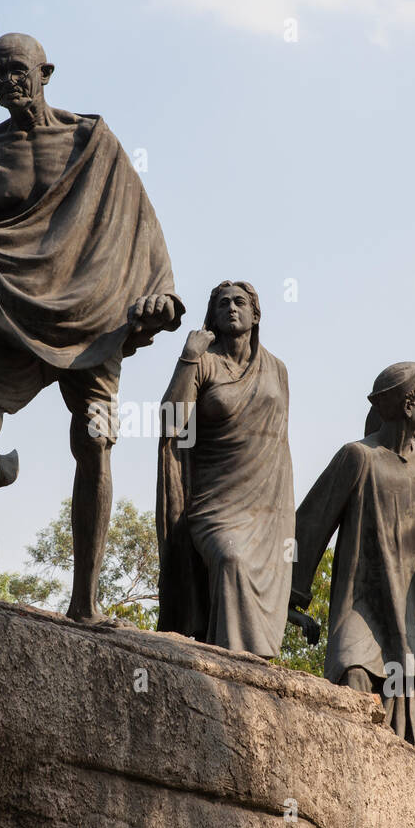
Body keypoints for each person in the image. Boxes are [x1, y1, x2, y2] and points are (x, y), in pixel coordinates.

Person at [0, 32, 183, 621]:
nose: (7, 81)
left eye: (17, 69)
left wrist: (163, 296)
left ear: (45, 71)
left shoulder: (94, 144)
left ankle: (86, 599)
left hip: (94, 324)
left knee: (95, 439)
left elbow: (141, 231)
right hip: (15, 315)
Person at [290, 362, 415, 755]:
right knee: (353, 675)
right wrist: (289, 601)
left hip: (413, 613)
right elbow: (308, 525)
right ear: (406, 403)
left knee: (404, 722)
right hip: (363, 605)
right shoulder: (358, 457)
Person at [156, 281, 293, 656]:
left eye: (240, 302)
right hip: (213, 506)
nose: (231, 309)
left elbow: (279, 450)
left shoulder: (278, 370)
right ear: (212, 316)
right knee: (231, 558)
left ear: (256, 314)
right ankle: (235, 668)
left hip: (263, 509)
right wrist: (187, 356)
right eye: (222, 304)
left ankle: (254, 665)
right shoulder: (203, 363)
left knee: (252, 571)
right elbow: (171, 422)